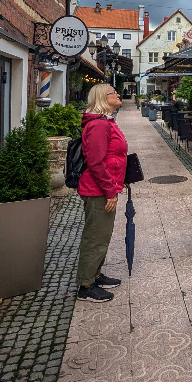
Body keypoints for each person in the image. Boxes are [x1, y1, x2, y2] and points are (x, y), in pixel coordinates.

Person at [75, 83, 126, 303]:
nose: (117, 94)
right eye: (112, 93)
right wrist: (110, 191)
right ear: (102, 99)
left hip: (104, 187)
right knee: (95, 237)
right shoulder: (98, 125)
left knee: (101, 235)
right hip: (98, 190)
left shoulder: (105, 122)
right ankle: (86, 285)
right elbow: (96, 162)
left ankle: (95, 274)